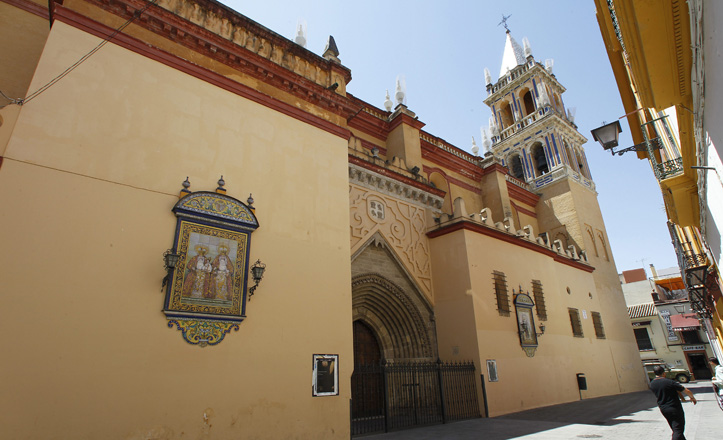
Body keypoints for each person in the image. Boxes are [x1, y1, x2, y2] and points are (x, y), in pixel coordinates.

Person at [649, 365, 697, 440]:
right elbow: (686, 390)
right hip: (674, 407)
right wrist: (692, 398)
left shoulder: (652, 384)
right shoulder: (669, 382)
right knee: (678, 430)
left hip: (663, 408)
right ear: (664, 373)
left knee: (675, 428)